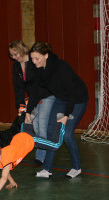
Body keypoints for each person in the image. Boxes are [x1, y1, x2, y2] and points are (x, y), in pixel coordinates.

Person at [30, 42, 88, 178]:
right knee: (51, 133)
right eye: (32, 58)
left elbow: (72, 93)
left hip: (77, 99)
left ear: (46, 55)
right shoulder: (39, 70)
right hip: (61, 99)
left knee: (67, 134)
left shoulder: (61, 67)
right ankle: (47, 169)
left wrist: (67, 115)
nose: (33, 61)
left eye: (37, 58)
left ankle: (76, 167)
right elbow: (35, 92)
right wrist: (28, 112)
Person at [0, 122, 66, 199]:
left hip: (30, 139)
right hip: (20, 137)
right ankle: (28, 121)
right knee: (23, 136)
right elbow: (6, 170)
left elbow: (3, 178)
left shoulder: (6, 157)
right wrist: (12, 182)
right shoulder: (0, 158)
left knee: (55, 145)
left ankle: (60, 124)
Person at [9, 40, 55, 166]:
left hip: (46, 95)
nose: (14, 57)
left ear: (22, 50)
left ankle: (41, 158)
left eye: (15, 54)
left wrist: (30, 105)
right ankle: (42, 155)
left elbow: (38, 86)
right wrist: (20, 105)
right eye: (11, 55)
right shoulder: (16, 67)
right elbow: (18, 88)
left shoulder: (34, 61)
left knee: (42, 124)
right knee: (35, 125)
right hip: (34, 97)